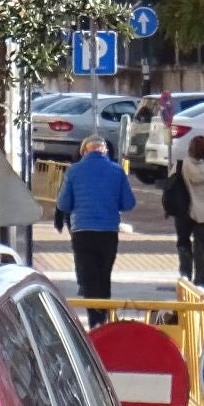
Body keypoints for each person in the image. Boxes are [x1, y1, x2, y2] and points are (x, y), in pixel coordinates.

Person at [55, 136, 135, 326]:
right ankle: (103, 317)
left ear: (84, 151)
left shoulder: (73, 171)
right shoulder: (117, 171)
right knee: (104, 275)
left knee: (88, 276)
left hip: (82, 231)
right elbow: (128, 203)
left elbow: (63, 204)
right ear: (105, 151)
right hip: (108, 231)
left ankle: (94, 320)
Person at [176, 136, 204, 288]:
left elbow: (172, 184)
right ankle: (199, 280)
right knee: (202, 248)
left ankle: (185, 277)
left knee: (183, 243)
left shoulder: (182, 165)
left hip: (183, 211)